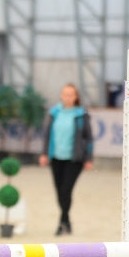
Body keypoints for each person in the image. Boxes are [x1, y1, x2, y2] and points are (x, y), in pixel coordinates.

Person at [39, 83, 94, 235]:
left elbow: (88, 138)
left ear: (76, 97)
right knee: (59, 191)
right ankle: (67, 221)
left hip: (74, 159)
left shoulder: (81, 114)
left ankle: (61, 223)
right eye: (65, 94)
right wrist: (44, 154)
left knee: (66, 189)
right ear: (61, 96)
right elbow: (47, 135)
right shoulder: (54, 112)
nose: (68, 97)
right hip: (56, 157)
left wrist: (89, 158)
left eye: (71, 94)